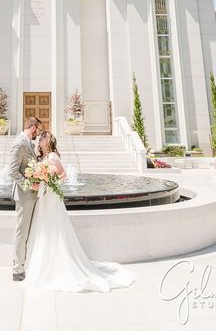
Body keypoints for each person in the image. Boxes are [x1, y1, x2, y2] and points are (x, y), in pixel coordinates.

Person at [23, 130, 138, 292]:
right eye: (40, 137)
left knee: (55, 230)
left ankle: (60, 267)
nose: (41, 138)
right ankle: (42, 265)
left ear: (49, 141)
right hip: (44, 199)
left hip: (52, 199)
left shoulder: (54, 157)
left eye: (44, 136)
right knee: (44, 229)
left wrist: (47, 178)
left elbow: (63, 175)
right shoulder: (41, 158)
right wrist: (38, 178)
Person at [8, 116, 42, 281]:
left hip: (32, 195)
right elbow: (12, 171)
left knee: (28, 231)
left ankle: (27, 264)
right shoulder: (19, 143)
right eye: (38, 130)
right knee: (21, 231)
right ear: (33, 127)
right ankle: (17, 270)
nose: (38, 133)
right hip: (24, 195)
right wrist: (29, 185)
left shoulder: (28, 143)